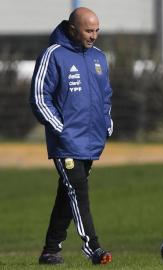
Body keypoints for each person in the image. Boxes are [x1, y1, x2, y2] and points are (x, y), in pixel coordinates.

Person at [29, 7, 113, 265]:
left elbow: (106, 96)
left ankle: (50, 250)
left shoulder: (99, 58)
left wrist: (106, 123)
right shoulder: (53, 55)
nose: (94, 36)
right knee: (79, 191)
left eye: (97, 30)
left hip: (91, 141)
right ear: (73, 28)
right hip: (66, 142)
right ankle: (94, 249)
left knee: (68, 194)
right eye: (89, 30)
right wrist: (60, 128)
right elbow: (39, 97)